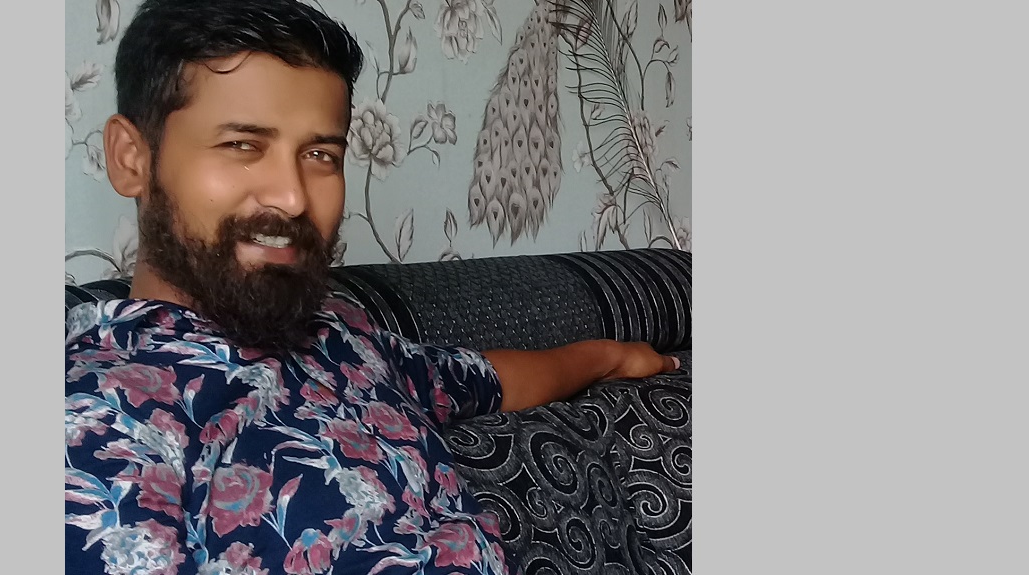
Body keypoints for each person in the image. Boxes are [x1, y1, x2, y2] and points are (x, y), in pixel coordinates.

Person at [64, 1, 679, 573]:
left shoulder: (343, 343)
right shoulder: (97, 417)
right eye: (242, 145)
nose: (293, 196)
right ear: (131, 157)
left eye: (320, 155)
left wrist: (610, 356)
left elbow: (489, 377)